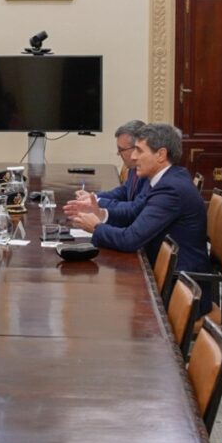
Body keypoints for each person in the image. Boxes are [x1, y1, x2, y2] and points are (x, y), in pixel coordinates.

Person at [66, 123, 210, 312]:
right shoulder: (164, 180)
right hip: (165, 273)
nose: (133, 157)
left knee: (103, 303)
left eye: (140, 151)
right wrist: (100, 212)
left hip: (182, 289)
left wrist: (96, 227)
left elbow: (131, 239)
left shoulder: (170, 190)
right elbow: (135, 213)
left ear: (161, 155)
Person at [74, 119, 148, 209]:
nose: (118, 153)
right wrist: (94, 197)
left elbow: (134, 208)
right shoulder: (134, 167)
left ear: (136, 148)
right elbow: (124, 191)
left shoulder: (149, 173)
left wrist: (98, 202)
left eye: (121, 149)